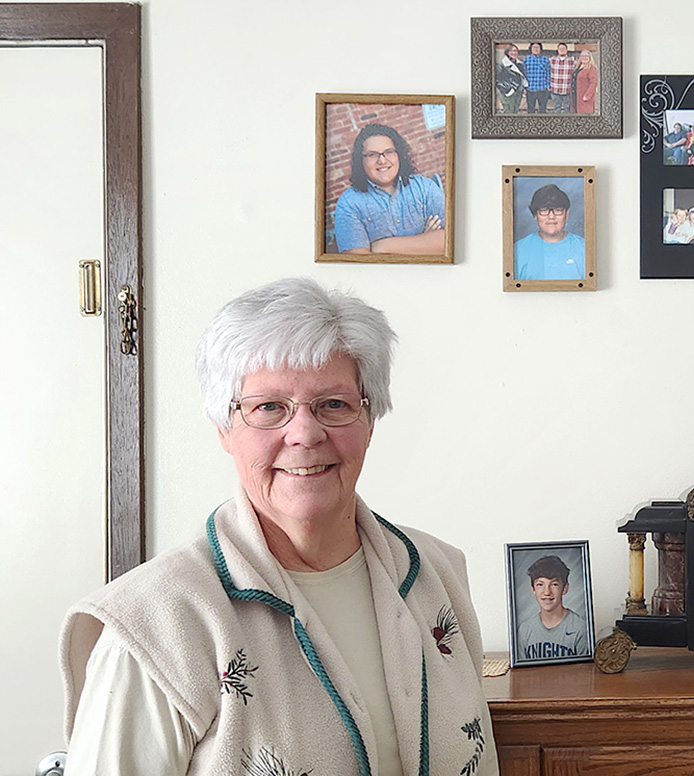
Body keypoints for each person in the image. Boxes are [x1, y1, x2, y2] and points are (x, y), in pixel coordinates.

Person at [60, 278, 497, 776]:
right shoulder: (152, 625)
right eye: (269, 407)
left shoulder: (437, 574)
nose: (305, 433)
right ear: (225, 428)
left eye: (334, 404)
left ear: (369, 421)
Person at [332, 123, 445, 256]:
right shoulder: (349, 204)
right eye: (372, 154)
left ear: (399, 155)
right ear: (360, 161)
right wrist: (425, 244)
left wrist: (382, 247)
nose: (382, 160)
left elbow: (451, 241)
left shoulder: (425, 188)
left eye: (388, 152)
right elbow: (359, 266)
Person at [516, 555, 589, 660]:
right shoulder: (524, 630)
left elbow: (584, 673)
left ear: (565, 589)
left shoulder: (580, 629)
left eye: (554, 584)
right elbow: (521, 673)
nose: (547, 592)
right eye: (540, 585)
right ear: (533, 589)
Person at [514, 183, 586, 280]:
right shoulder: (518, 250)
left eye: (558, 210)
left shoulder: (584, 248)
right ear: (535, 215)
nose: (551, 216)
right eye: (544, 210)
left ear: (567, 214)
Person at [495, 43, 527, 115]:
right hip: (507, 93)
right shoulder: (502, 65)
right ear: (507, 52)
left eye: (515, 51)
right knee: (509, 112)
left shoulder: (519, 64)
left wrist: (524, 88)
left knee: (515, 111)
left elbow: (522, 78)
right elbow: (497, 80)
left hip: (518, 92)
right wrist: (507, 89)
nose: (514, 53)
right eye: (512, 51)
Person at [523, 42, 551, 114]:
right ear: (531, 49)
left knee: (542, 110)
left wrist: (547, 86)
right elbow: (523, 75)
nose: (536, 49)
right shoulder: (526, 60)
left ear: (540, 49)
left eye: (537, 47)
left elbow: (549, 73)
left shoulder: (545, 60)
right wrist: (524, 88)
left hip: (542, 89)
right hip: (530, 89)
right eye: (534, 47)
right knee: (530, 110)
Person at [549, 43, 575, 114]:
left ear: (566, 50)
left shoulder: (572, 61)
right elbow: (546, 72)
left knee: (567, 108)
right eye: (560, 49)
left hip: (567, 89)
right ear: (557, 50)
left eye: (563, 49)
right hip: (555, 89)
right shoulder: (552, 60)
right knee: (556, 108)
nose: (562, 50)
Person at [574, 49, 598, 115]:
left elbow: (594, 83)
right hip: (576, 97)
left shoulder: (591, 68)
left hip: (584, 98)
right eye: (582, 56)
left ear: (590, 58)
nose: (584, 58)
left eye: (586, 56)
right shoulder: (578, 67)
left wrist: (587, 96)